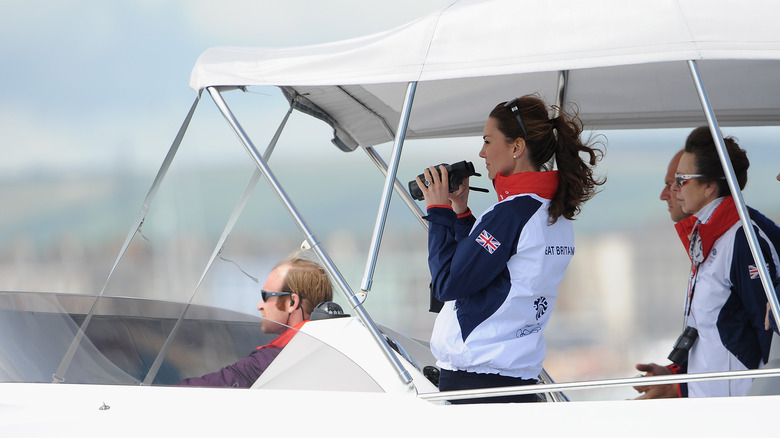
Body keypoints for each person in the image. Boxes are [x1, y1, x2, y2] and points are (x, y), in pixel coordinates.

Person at [414, 94, 604, 403]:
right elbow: (494, 271)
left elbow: (448, 284)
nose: (482, 152)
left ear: (516, 147)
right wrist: (462, 215)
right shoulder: (552, 211)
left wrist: (439, 213)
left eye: (488, 141)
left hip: (477, 383)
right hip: (515, 379)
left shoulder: (511, 213)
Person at [635, 131, 780, 399]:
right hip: (710, 407)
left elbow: (770, 334)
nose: (672, 190)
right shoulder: (708, 239)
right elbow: (715, 334)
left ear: (709, 186)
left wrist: (763, 403)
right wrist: (678, 377)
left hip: (742, 410)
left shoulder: (743, 239)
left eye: (681, 180)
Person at [176, 255, 333, 388]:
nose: (259, 306)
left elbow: (215, 385)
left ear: (292, 302)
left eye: (266, 296)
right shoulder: (336, 349)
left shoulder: (272, 361)